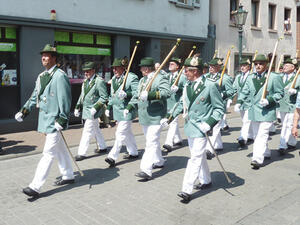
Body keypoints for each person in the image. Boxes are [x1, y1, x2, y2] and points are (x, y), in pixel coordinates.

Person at [15, 44, 74, 197]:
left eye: (47, 55)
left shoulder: (60, 76)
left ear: (54, 58)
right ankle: (68, 175)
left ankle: (35, 186)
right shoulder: (41, 76)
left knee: (48, 153)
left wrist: (62, 119)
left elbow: (65, 100)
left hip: (55, 120)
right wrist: (24, 111)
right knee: (60, 149)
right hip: (45, 120)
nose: (43, 57)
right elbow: (35, 96)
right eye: (43, 55)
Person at [162, 56, 224, 203]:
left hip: (202, 128)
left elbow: (219, 109)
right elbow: (181, 104)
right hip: (190, 127)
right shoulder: (187, 86)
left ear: (195, 71)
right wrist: (169, 117)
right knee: (198, 155)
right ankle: (206, 180)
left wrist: (209, 123)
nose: (184, 73)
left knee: (195, 157)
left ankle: (186, 189)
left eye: (187, 70)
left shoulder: (210, 85)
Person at [235, 54, 284, 169]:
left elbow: (280, 93)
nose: (258, 66)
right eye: (256, 64)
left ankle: (257, 159)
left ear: (266, 65)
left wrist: (269, 100)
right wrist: (239, 101)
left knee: (261, 135)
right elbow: (245, 91)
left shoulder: (273, 77)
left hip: (267, 111)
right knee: (258, 134)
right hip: (254, 111)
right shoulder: (251, 77)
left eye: (261, 64)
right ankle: (266, 152)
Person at [127, 57, 170, 181]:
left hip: (156, 115)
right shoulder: (142, 80)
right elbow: (136, 95)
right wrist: (129, 106)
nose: (140, 69)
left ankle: (146, 170)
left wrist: (150, 95)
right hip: (145, 116)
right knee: (152, 141)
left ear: (147, 68)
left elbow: (166, 92)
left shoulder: (160, 78)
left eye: (142, 67)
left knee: (150, 142)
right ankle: (159, 161)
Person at [104, 58, 139, 167]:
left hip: (127, 110)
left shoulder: (131, 77)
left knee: (119, 133)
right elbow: (112, 95)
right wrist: (108, 106)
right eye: (113, 68)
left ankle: (112, 156)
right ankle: (133, 152)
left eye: (116, 68)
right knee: (127, 133)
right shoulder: (114, 79)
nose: (114, 70)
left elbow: (137, 93)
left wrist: (127, 94)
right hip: (117, 111)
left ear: (123, 68)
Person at [74, 62, 108, 161]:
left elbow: (104, 97)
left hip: (94, 111)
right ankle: (102, 147)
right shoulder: (85, 82)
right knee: (96, 129)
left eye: (88, 71)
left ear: (93, 70)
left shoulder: (99, 81)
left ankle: (81, 153)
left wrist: (96, 107)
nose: (86, 73)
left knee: (87, 131)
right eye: (85, 71)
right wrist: (77, 107)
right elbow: (82, 96)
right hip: (86, 110)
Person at [204, 58, 235, 159]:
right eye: (210, 66)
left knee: (215, 126)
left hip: (219, 105)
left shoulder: (225, 78)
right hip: (208, 105)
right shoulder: (206, 77)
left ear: (219, 67)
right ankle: (218, 144)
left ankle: (209, 149)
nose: (210, 68)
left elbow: (231, 91)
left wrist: (223, 94)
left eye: (213, 66)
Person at [162, 57, 186, 152]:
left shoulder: (182, 76)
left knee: (172, 121)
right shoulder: (167, 76)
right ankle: (178, 139)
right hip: (168, 102)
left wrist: (179, 89)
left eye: (172, 64)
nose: (170, 65)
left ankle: (168, 143)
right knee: (173, 122)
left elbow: (187, 89)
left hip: (177, 102)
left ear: (178, 66)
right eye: (170, 64)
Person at [277, 58, 299, 155]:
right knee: (284, 124)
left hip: (292, 105)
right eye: (284, 65)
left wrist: (296, 91)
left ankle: (282, 145)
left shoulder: (297, 77)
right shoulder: (280, 77)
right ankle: (292, 142)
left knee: (288, 124)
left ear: (293, 67)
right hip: (282, 105)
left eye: (287, 65)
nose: (284, 66)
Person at [233, 58, 254, 148]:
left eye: (244, 66)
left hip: (250, 102)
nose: (242, 67)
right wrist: (230, 98)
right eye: (241, 65)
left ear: (248, 67)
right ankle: (251, 135)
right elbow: (234, 88)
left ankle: (242, 138)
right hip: (241, 102)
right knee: (245, 120)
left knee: (246, 121)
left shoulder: (252, 76)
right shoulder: (238, 77)